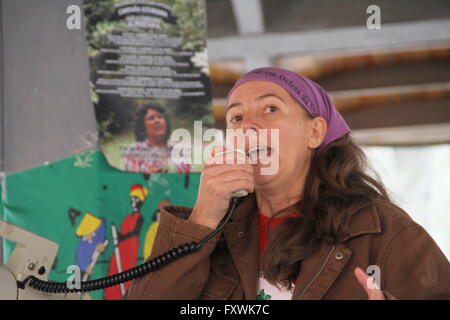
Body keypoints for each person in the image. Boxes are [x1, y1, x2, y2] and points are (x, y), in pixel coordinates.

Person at [125, 67, 450, 300]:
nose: (248, 126)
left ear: (315, 132)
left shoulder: (385, 231)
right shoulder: (212, 226)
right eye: (236, 118)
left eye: (270, 109)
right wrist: (201, 221)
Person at [123, 103, 191, 173]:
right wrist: (148, 176)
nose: (157, 121)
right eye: (151, 118)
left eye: (160, 117)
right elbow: (131, 181)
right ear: (142, 125)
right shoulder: (134, 150)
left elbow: (188, 178)